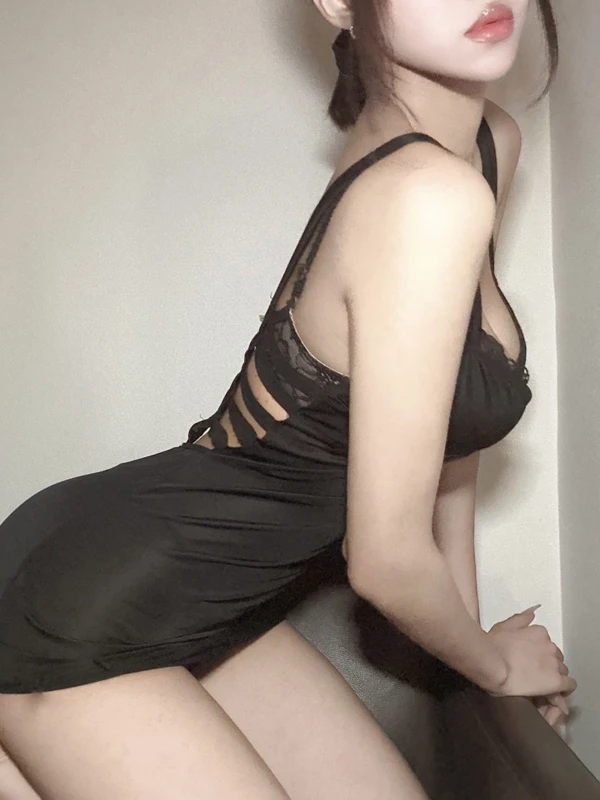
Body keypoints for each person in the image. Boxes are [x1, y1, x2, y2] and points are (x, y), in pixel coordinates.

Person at [0, 0, 577, 798]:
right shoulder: (427, 195)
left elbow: (446, 427)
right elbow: (386, 559)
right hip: (94, 600)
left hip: (196, 585)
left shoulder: (484, 147)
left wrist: (468, 650)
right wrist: (494, 666)